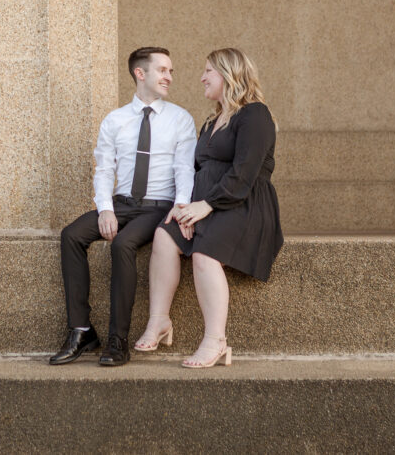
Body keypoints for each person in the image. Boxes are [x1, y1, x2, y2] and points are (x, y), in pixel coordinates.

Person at [134, 47, 282, 368]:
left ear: (229, 74)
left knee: (204, 254)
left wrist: (206, 206)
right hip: (206, 204)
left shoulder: (255, 115)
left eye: (208, 72)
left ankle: (216, 341)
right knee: (164, 237)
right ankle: (159, 321)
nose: (201, 78)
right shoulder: (213, 120)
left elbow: (244, 174)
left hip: (244, 205)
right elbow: (197, 170)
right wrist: (185, 206)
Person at [50, 47, 197, 367]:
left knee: (123, 245)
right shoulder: (115, 120)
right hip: (122, 204)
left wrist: (181, 206)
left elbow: (185, 168)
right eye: (162, 70)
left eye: (171, 71)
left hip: (159, 208)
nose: (169, 77)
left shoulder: (180, 119)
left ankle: (118, 341)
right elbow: (104, 169)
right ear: (139, 73)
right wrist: (105, 209)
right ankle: (81, 329)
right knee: (72, 235)